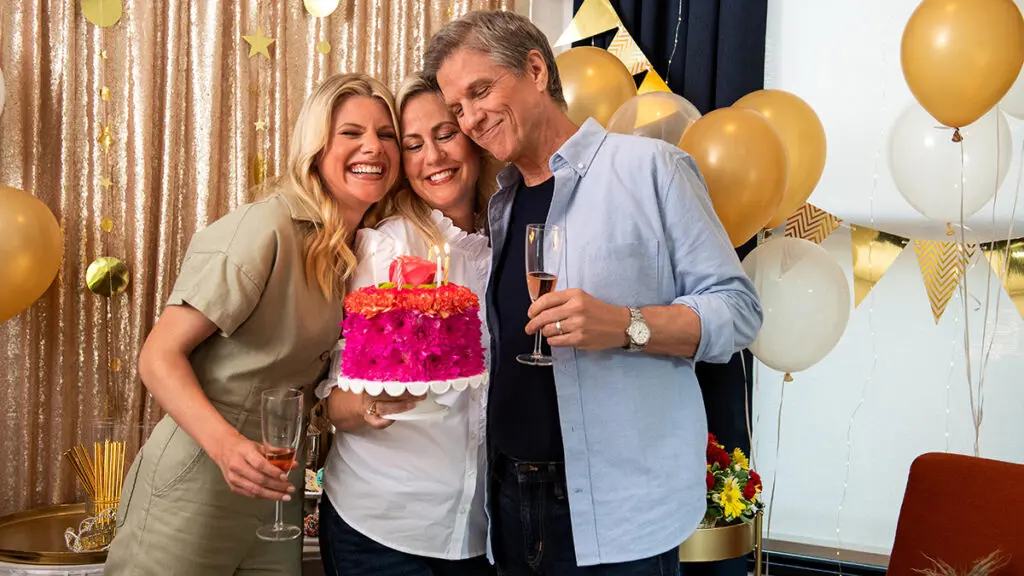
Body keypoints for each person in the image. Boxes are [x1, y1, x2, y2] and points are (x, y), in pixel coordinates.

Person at [422, 11, 764, 575]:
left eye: (480, 91)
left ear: (535, 69)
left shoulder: (653, 169)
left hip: (619, 511)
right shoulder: (502, 203)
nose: (471, 119)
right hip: (508, 501)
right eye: (458, 107)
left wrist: (628, 325)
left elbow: (740, 311)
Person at [105, 73, 402, 576]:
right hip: (199, 479)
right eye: (351, 132)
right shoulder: (265, 227)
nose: (372, 146)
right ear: (316, 146)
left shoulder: (357, 251)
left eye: (386, 133)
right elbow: (158, 356)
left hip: (277, 493)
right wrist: (226, 448)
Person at [315, 72, 499, 576]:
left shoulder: (509, 246)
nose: (432, 157)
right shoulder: (388, 248)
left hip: (481, 534)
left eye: (445, 134)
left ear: (474, 136)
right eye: (413, 144)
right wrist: (374, 401)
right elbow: (334, 400)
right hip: (382, 528)